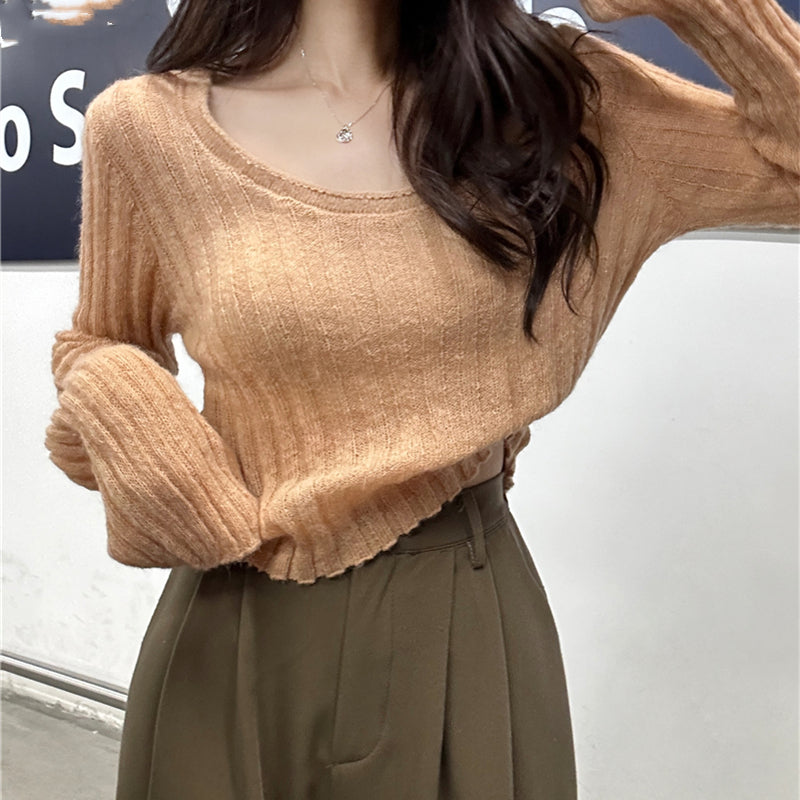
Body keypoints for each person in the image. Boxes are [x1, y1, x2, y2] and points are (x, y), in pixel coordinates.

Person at [44, 0, 799, 797]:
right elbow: (102, 339)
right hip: (233, 621)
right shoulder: (143, 129)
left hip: (460, 620)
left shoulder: (551, 100)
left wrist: (707, 8)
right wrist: (120, 404)